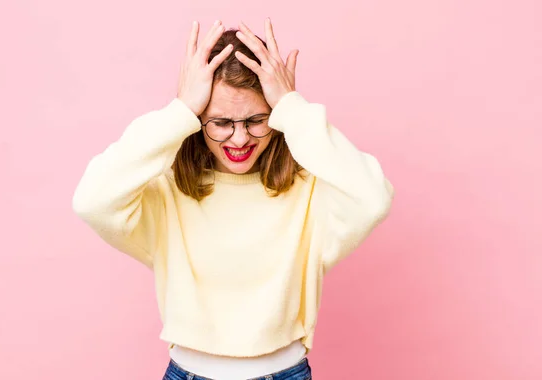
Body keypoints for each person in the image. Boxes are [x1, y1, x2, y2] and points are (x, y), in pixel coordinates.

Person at [72, 18, 395, 380]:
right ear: (197, 121)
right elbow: (91, 200)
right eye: (221, 122)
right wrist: (179, 110)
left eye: (257, 119)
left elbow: (373, 199)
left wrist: (292, 107)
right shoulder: (167, 191)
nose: (240, 139)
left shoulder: (308, 191)